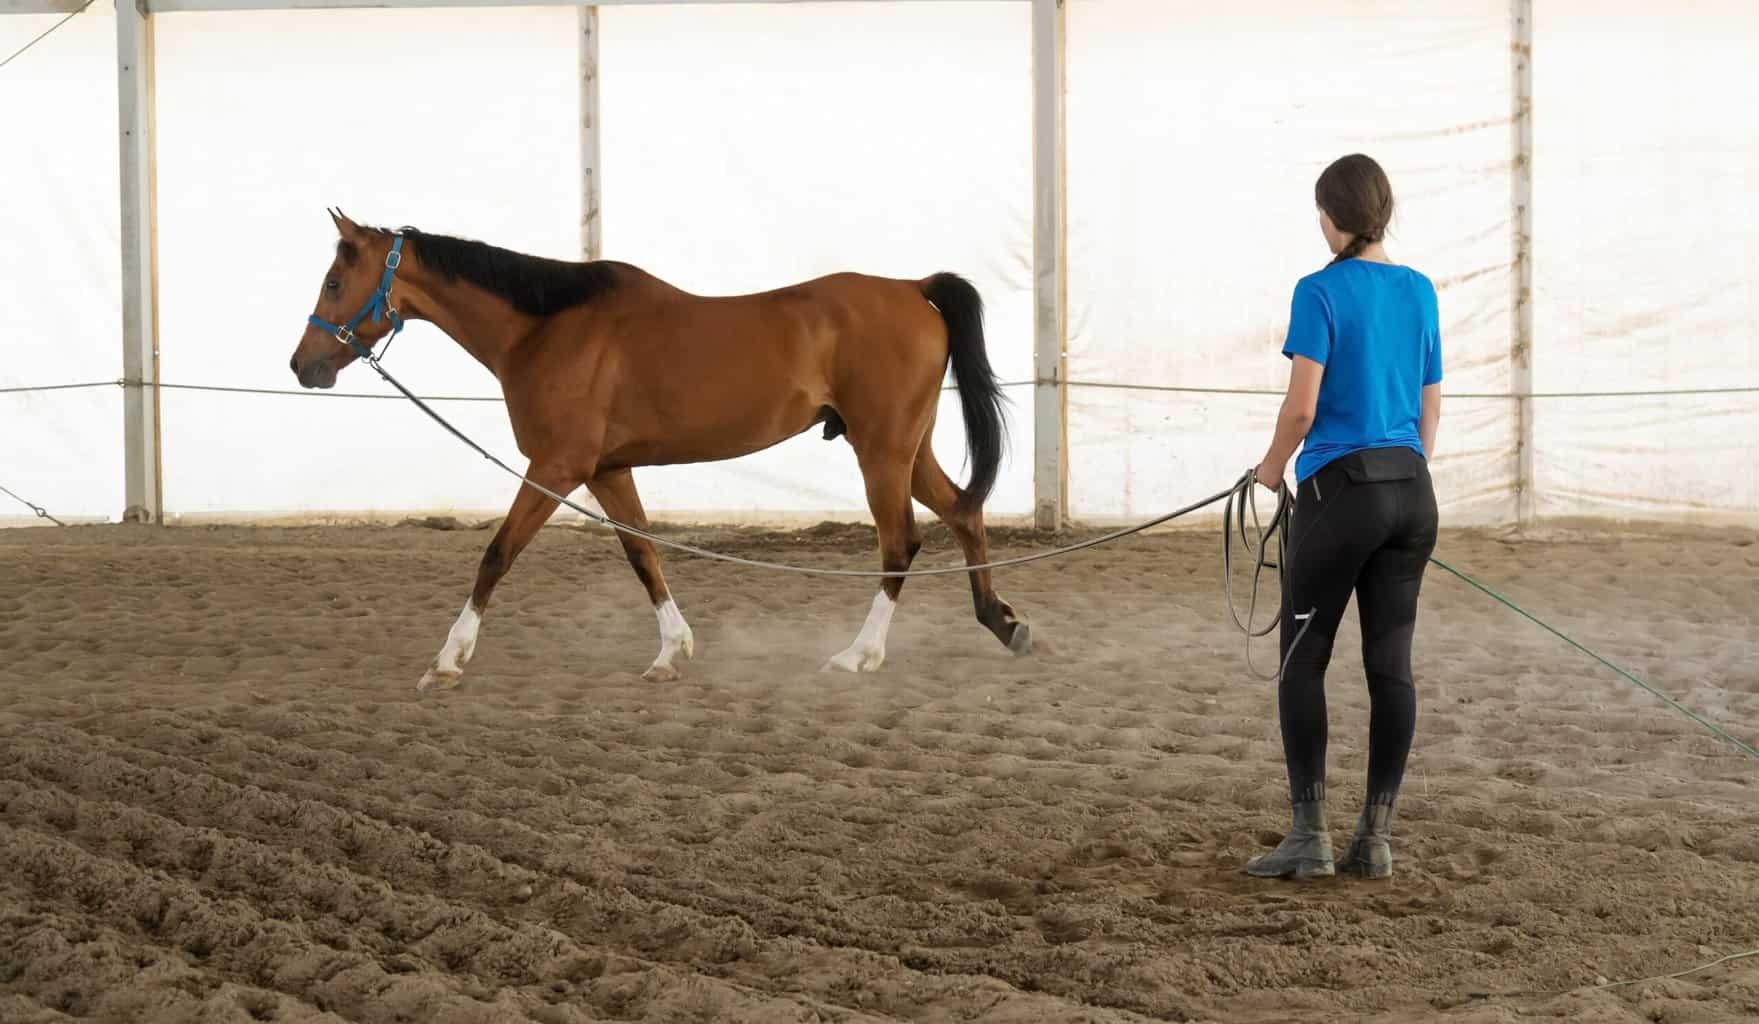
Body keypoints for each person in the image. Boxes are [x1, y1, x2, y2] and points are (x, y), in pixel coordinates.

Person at [1244, 153, 1442, 881]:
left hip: (1339, 493)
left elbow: (1301, 407)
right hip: (1411, 492)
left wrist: (1269, 469)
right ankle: (1375, 839)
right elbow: (1428, 406)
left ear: (1332, 217)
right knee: (1391, 668)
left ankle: (1308, 836)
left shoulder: (1318, 291)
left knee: (1303, 661)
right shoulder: (1419, 290)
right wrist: (1401, 479)